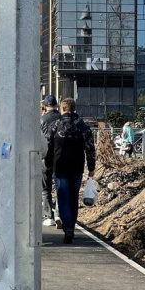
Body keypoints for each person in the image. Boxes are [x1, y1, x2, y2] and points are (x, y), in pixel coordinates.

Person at [45, 98, 96, 244]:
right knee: (73, 198)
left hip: (60, 166)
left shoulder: (55, 125)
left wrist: (48, 164)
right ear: (74, 109)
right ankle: (71, 227)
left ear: (62, 108)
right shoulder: (82, 126)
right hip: (77, 167)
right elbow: (90, 148)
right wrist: (91, 167)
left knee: (63, 198)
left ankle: (67, 228)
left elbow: (48, 146)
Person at [40, 95, 61, 228]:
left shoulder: (41, 120)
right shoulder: (61, 118)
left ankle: (49, 217)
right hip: (60, 156)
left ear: (45, 106)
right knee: (60, 186)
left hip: (46, 157)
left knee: (45, 188)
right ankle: (59, 214)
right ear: (56, 105)